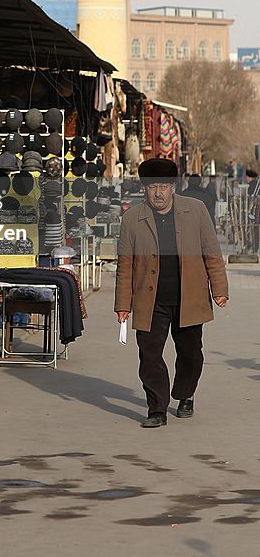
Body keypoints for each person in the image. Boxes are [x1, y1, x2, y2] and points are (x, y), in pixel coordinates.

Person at [115, 157, 229, 428]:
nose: (158, 193)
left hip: (189, 296)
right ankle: (157, 409)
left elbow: (212, 252)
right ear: (144, 188)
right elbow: (125, 265)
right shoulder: (132, 219)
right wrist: (123, 304)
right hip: (150, 299)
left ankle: (184, 394)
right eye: (152, 187)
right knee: (150, 356)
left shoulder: (196, 210)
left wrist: (219, 288)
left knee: (191, 354)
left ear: (173, 187)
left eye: (164, 186)